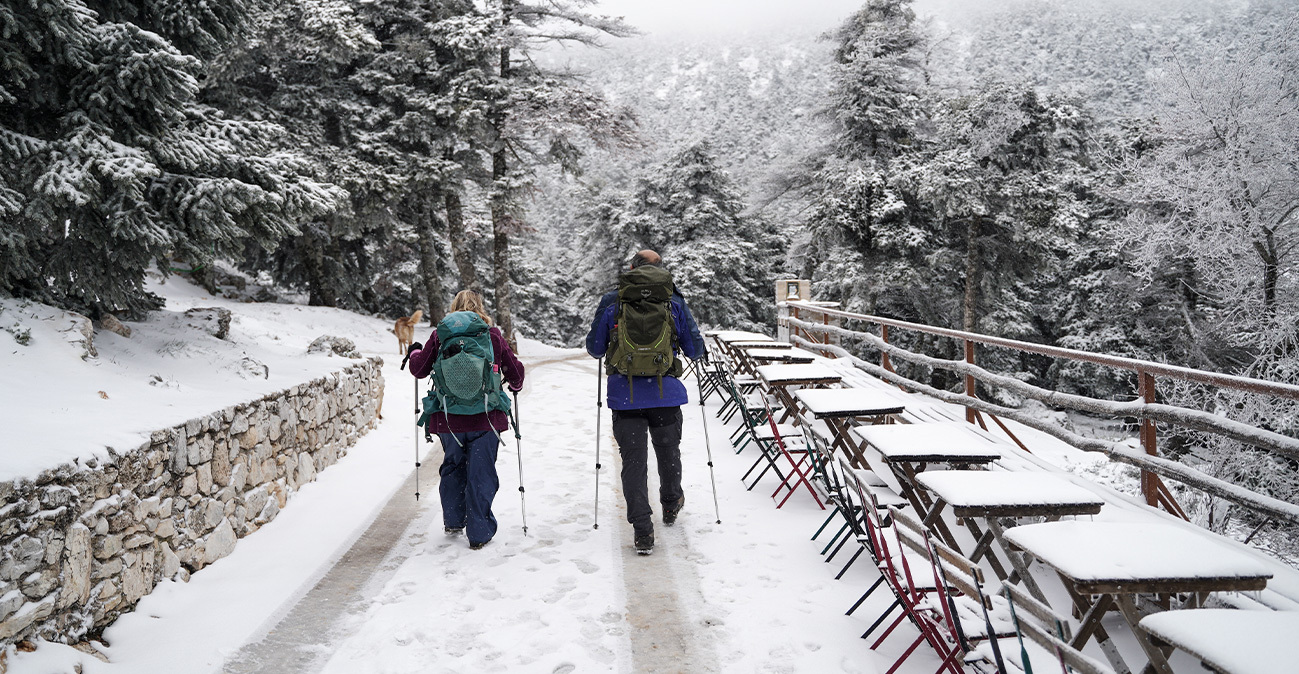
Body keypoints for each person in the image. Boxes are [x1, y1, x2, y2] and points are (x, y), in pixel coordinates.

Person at [586, 250, 708, 554]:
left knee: (634, 462)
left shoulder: (613, 300)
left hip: (624, 396)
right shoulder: (673, 300)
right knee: (668, 452)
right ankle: (670, 504)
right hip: (665, 394)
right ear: (661, 269)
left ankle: (642, 530)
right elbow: (695, 349)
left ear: (631, 268)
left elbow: (595, 348)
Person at [408, 290, 525, 550]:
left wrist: (415, 351)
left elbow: (419, 369)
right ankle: (479, 533)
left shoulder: (441, 335)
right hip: (486, 419)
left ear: (454, 308)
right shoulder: (491, 335)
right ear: (479, 308)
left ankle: (453, 520)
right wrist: (514, 384)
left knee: (453, 466)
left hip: (450, 419)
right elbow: (515, 372)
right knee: (481, 473)